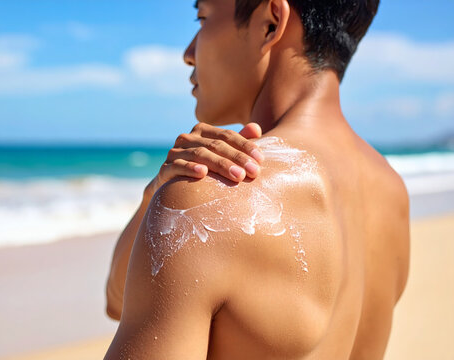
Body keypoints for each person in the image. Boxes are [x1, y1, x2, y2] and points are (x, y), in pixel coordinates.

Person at [105, 0, 410, 359]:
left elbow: (116, 303)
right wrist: (153, 195)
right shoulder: (392, 191)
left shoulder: (210, 200)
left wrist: (168, 201)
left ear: (270, 22)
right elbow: (117, 301)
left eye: (202, 17)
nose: (188, 53)